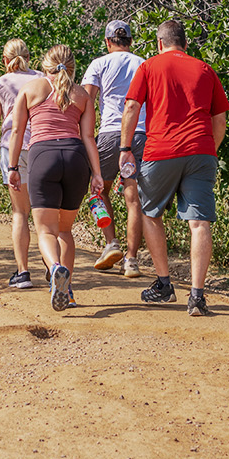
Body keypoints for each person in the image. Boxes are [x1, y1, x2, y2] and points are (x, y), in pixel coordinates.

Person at [120, 19, 229, 316]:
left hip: (161, 149)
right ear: (186, 43)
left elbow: (131, 107)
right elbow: (219, 120)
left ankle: (165, 285)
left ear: (159, 43)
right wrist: (209, 149)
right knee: (199, 222)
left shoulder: (149, 66)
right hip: (201, 150)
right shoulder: (205, 69)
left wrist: (126, 149)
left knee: (150, 212)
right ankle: (197, 296)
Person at [7, 46, 104, 312]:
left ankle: (55, 268)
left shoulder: (30, 89)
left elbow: (16, 131)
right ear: (72, 67)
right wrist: (96, 173)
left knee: (46, 231)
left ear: (45, 64)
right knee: (64, 230)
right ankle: (68, 290)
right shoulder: (82, 95)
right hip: (75, 159)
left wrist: (13, 166)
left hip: (43, 157)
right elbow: (88, 137)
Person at [80, 20, 146, 274]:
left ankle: (111, 242)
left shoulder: (99, 64)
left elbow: (86, 101)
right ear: (130, 41)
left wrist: (83, 136)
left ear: (108, 42)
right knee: (133, 199)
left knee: (97, 190)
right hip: (139, 134)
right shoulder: (142, 63)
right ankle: (131, 259)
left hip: (110, 133)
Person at [0, 39, 41, 289]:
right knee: (42, 210)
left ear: (5, 60)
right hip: (40, 145)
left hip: (12, 150)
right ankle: (52, 266)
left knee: (20, 212)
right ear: (29, 56)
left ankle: (23, 272)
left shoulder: (0, 83)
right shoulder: (42, 78)